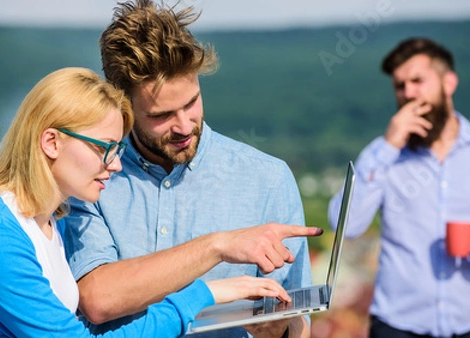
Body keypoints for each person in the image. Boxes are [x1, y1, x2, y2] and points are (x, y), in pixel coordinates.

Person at [0, 67, 296, 337]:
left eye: (118, 148)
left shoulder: (50, 224)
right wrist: (203, 294)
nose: (115, 164)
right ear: (51, 142)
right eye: (104, 149)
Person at [62, 1, 320, 337]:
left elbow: (299, 321)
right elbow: (98, 299)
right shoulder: (92, 178)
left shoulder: (269, 179)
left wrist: (280, 330)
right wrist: (216, 247)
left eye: (191, 102)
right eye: (162, 115)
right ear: (122, 105)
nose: (184, 126)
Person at [328, 37, 470, 338]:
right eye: (400, 86)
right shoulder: (382, 154)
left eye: (417, 81)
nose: (408, 93)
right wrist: (388, 146)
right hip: (396, 325)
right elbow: (344, 225)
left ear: (449, 82)